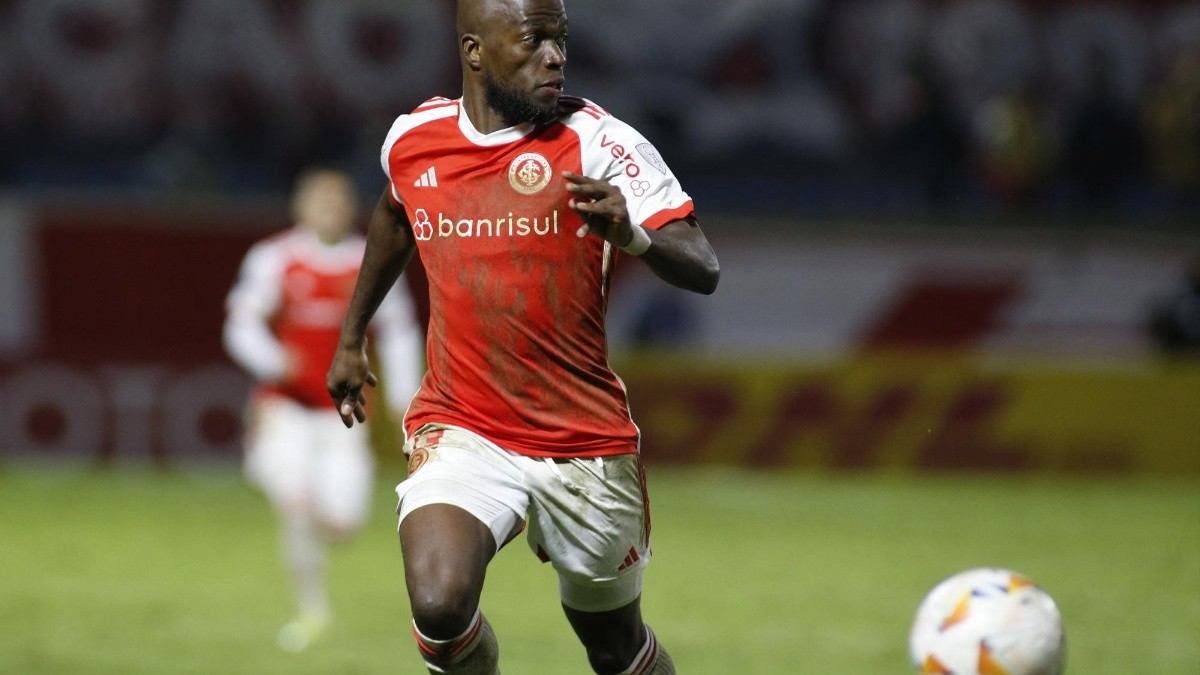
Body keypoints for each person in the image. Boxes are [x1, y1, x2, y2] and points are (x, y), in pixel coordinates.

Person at [327, 0, 719, 672]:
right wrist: (351, 335)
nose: (556, 57)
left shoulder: (596, 141)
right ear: (475, 51)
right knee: (439, 601)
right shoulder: (413, 139)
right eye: (535, 40)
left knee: (612, 645)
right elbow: (396, 213)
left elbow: (703, 266)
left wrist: (632, 233)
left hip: (582, 442)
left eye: (561, 40)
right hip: (464, 425)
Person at [223, 167, 424, 652]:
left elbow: (398, 329)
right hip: (285, 409)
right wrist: (273, 361)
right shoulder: (275, 257)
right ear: (301, 207)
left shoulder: (368, 259)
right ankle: (312, 609)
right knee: (296, 501)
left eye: (337, 203)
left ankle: (275, 476)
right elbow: (241, 323)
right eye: (320, 202)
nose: (329, 212)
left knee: (343, 522)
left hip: (345, 413)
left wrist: (405, 400)